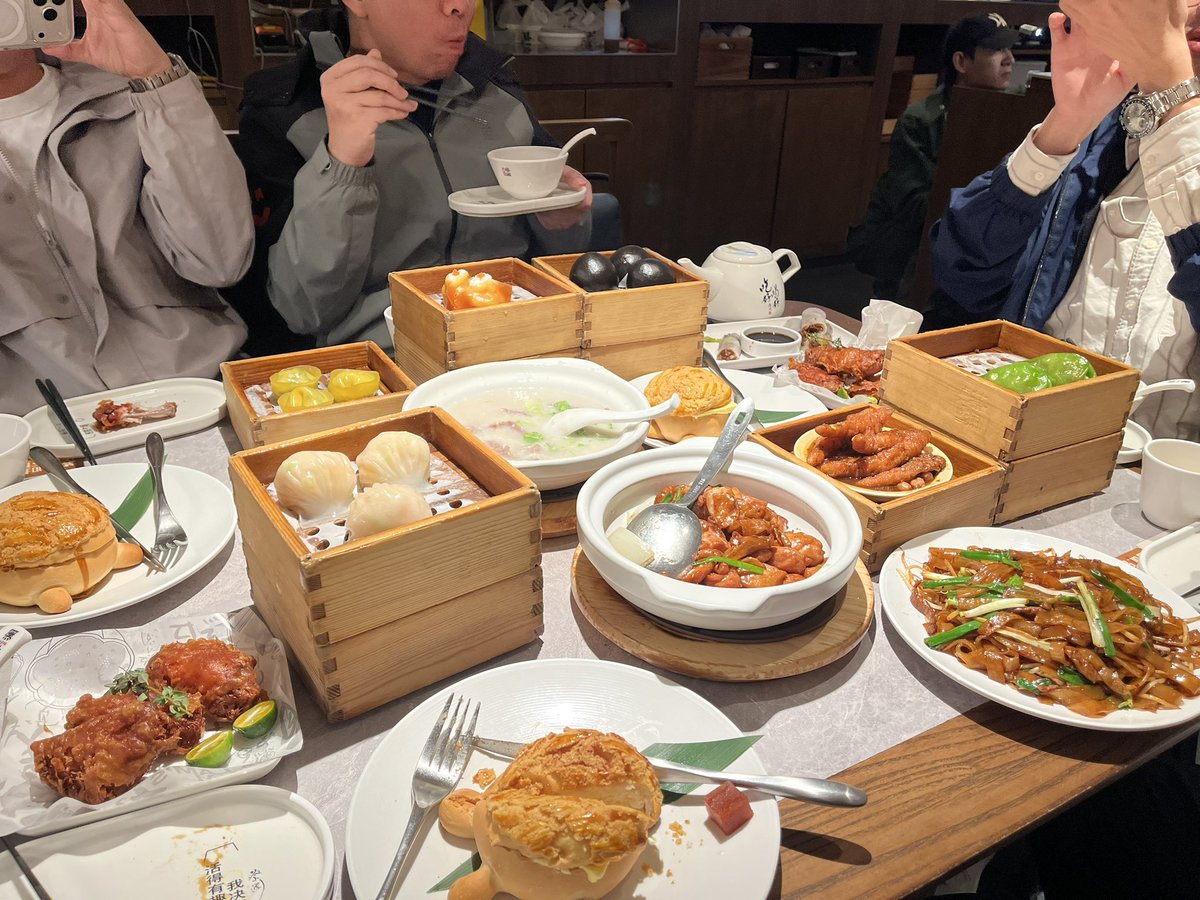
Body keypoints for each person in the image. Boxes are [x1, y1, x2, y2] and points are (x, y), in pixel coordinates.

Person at [237, 0, 594, 351]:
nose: (460, 7)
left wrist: (565, 219)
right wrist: (342, 160)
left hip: (522, 337)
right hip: (388, 356)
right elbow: (302, 313)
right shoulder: (286, 110)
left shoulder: (495, 86)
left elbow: (560, 259)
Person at [929, 1, 1200, 440]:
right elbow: (964, 275)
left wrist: (1173, 89)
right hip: (1035, 442)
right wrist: (1065, 125)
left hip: (1170, 472)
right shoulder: (1101, 141)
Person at [0, 0, 253, 417]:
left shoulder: (133, 98)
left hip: (204, 393)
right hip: (39, 429)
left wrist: (157, 78)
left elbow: (220, 261)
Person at [846, 14, 1018, 302]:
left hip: (976, 240)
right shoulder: (922, 119)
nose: (1009, 60)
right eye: (996, 50)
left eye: (1010, 49)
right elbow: (914, 205)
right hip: (913, 244)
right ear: (961, 62)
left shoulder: (1013, 111)